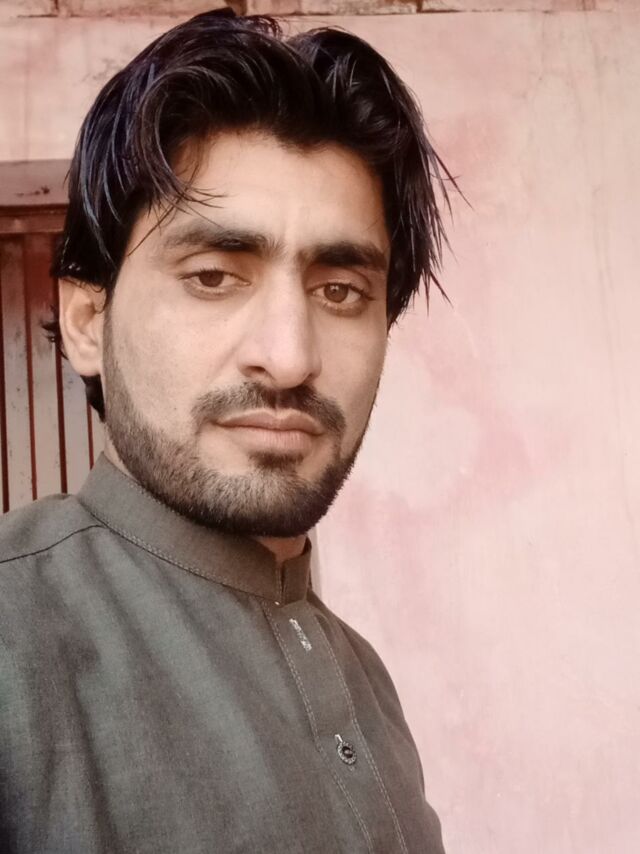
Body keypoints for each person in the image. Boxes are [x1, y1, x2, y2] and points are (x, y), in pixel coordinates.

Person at [0, 9, 454, 853]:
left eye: (341, 292)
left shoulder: (366, 681)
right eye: (213, 276)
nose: (289, 358)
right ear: (89, 321)